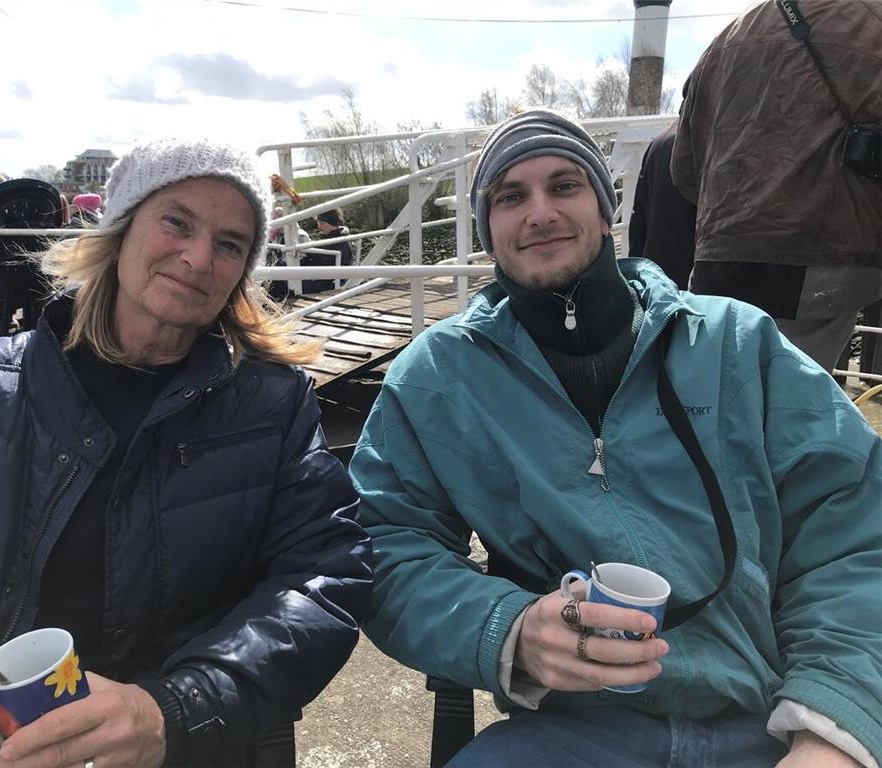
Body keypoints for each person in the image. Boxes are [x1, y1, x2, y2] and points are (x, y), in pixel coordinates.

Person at [350, 109, 882, 767]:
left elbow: (855, 531)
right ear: (488, 230)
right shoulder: (435, 379)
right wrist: (507, 628)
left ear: (607, 213)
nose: (539, 211)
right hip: (573, 733)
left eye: (565, 185)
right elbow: (386, 545)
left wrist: (831, 724)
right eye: (511, 197)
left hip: (774, 716)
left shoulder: (740, 344)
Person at [0, 138, 372, 767]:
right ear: (120, 228)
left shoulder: (272, 408)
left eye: (230, 244)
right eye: (176, 222)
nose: (198, 257)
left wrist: (176, 708)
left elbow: (322, 577)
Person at [670, 0, 882, 373]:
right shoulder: (871, 21)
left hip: (720, 255)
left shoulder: (727, 39)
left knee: (717, 391)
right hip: (824, 255)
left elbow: (685, 168)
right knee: (794, 402)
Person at [628, 118, 696, 289]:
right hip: (691, 279)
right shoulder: (706, 142)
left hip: (655, 273)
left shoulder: (659, 141)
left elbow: (638, 218)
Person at [303, 208, 353, 294]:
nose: (319, 227)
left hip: (332, 281)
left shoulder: (342, 242)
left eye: (322, 223)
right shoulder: (327, 238)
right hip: (322, 277)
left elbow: (332, 263)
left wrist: (311, 253)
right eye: (318, 223)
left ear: (332, 224)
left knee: (295, 285)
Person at [267, 204, 311, 302]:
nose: (272, 223)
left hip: (295, 274)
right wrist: (270, 239)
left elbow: (300, 260)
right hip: (278, 273)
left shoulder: (300, 235)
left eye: (275, 220)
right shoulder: (277, 235)